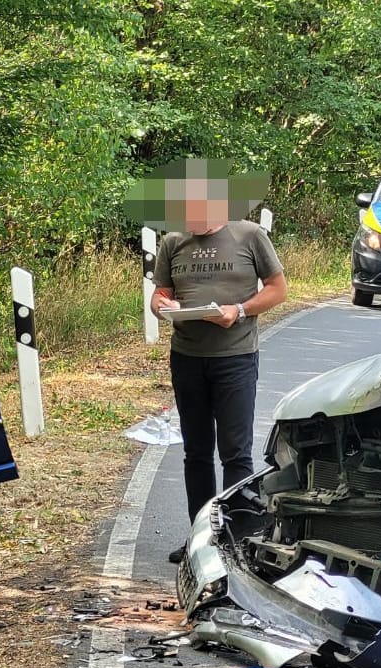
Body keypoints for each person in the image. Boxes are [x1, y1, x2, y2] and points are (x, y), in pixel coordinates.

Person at [151, 177, 288, 563]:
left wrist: (240, 310)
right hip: (187, 357)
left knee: (235, 452)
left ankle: (237, 538)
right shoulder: (173, 242)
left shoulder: (249, 236)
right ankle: (200, 538)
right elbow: (159, 295)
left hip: (236, 357)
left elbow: (278, 289)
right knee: (195, 452)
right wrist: (164, 306)